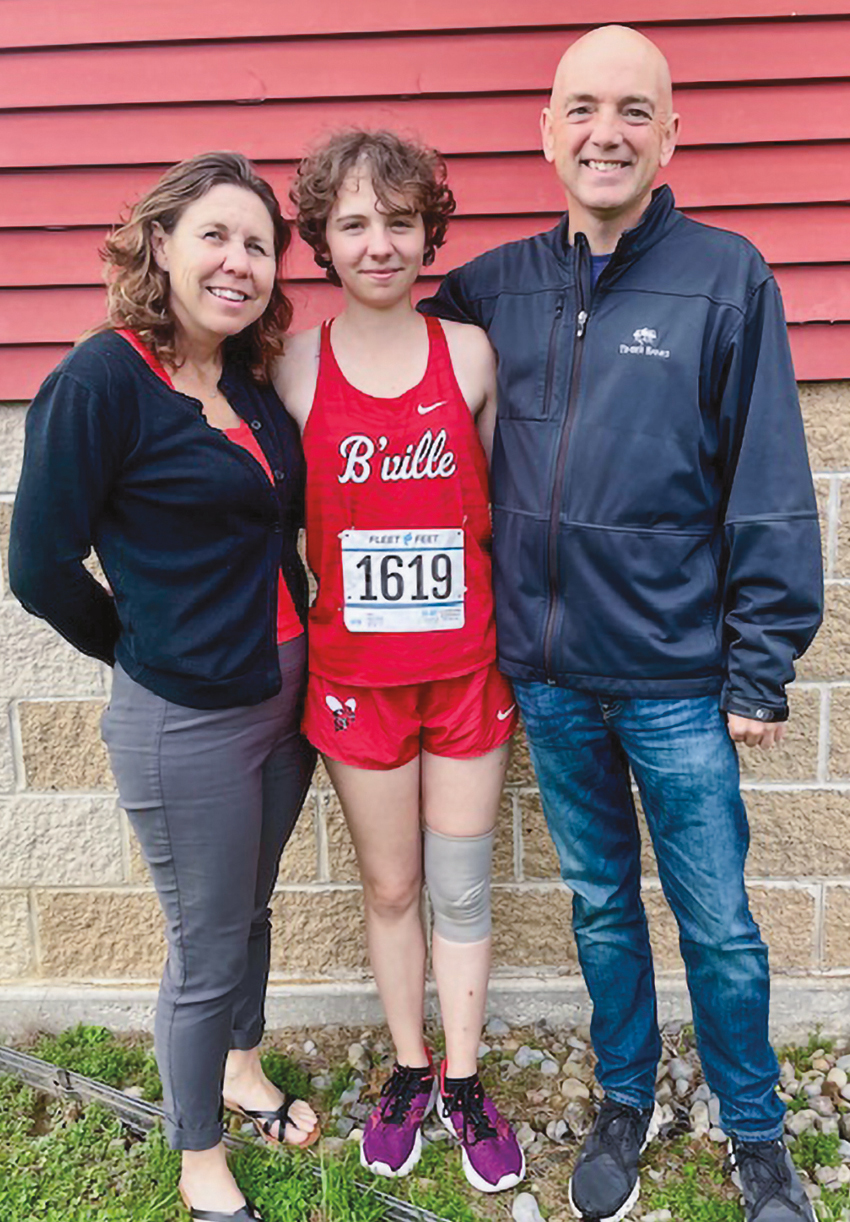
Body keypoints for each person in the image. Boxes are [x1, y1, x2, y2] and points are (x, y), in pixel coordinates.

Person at [420, 26, 823, 1222]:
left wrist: (759, 667)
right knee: (600, 904)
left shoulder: (725, 275)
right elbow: (388, 342)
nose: (605, 132)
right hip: (546, 676)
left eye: (633, 111)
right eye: (581, 109)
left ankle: (756, 1132)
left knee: (718, 921)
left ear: (668, 137)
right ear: (545, 132)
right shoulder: (493, 288)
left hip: (676, 684)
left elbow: (768, 480)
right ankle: (625, 1097)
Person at [9, 151, 320, 1222]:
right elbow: (38, 566)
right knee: (205, 941)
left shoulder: (241, 378)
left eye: (258, 245)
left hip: (286, 697)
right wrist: (146, 648)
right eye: (215, 236)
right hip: (186, 719)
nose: (238, 261)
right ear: (160, 245)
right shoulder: (100, 380)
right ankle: (197, 1155)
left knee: (253, 908)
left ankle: (240, 1067)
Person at [274, 129, 524, 1194]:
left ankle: (465, 1080)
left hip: (463, 669)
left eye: (399, 221)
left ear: (430, 229)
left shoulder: (469, 353)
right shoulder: (289, 363)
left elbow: (504, 508)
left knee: (462, 890)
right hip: (353, 681)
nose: (379, 243)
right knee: (391, 886)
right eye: (353, 223)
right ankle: (409, 1068)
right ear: (323, 239)